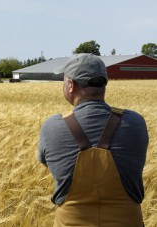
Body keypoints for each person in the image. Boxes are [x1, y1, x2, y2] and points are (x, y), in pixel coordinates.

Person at [38, 53, 148, 227]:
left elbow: (47, 162)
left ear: (71, 85)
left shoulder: (52, 126)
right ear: (104, 84)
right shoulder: (136, 122)